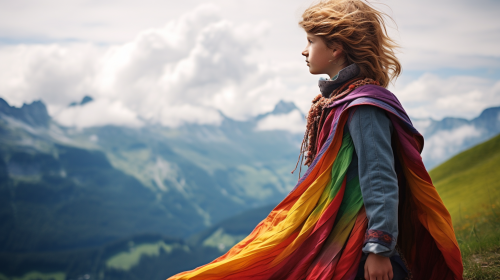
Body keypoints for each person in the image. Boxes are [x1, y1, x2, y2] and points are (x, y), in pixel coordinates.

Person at [167, 1, 463, 279]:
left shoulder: (363, 107)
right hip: (335, 233)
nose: (304, 51)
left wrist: (379, 249)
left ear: (336, 48)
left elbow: (379, 177)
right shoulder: (337, 101)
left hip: (356, 242)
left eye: (311, 41)